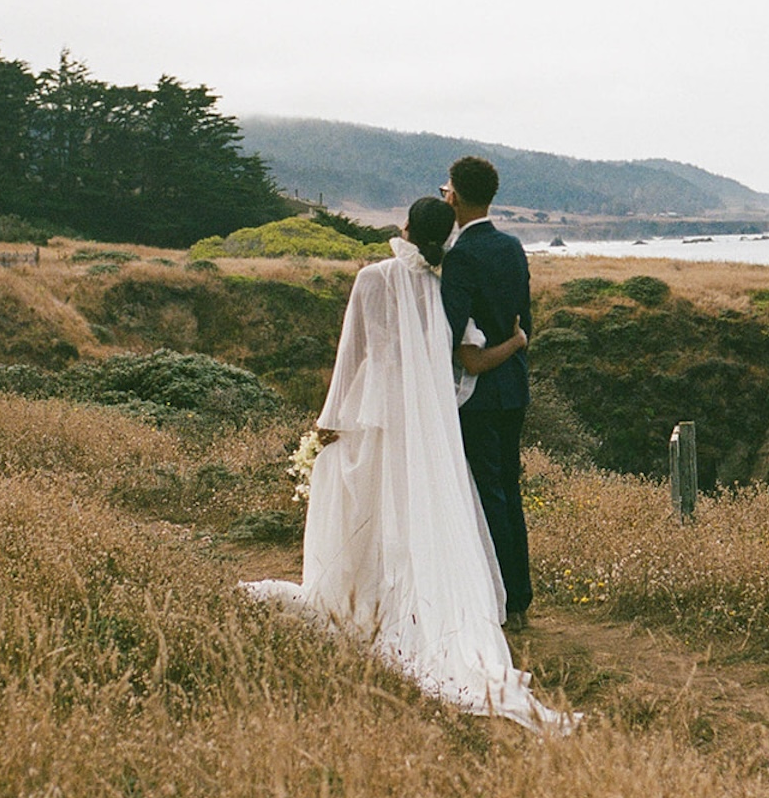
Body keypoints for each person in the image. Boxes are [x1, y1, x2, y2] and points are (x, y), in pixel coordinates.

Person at [241, 198, 574, 733]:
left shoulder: (372, 279)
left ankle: (368, 595)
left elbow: (351, 358)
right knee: (420, 505)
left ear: (405, 228)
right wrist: (511, 345)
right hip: (425, 425)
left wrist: (329, 425)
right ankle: (415, 600)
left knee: (371, 500)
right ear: (446, 236)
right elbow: (468, 364)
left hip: (374, 415)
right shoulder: (447, 289)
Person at [439, 156, 535, 632]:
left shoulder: (460, 257)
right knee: (509, 492)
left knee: (487, 495)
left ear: (454, 194)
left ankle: (500, 596)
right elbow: (526, 321)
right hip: (513, 387)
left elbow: (450, 331)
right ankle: (519, 595)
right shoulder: (513, 246)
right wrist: (515, 344)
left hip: (476, 393)